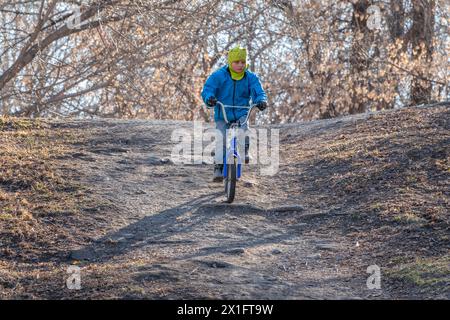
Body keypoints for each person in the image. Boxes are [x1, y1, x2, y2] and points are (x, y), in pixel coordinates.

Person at [201, 46, 268, 182]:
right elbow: (208, 89)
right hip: (223, 113)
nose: (240, 65)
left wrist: (261, 101)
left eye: (242, 62)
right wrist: (210, 98)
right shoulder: (219, 75)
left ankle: (244, 150)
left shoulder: (250, 77)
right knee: (221, 139)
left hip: (241, 112)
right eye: (236, 62)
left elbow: (258, 92)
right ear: (230, 61)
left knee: (244, 130)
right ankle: (219, 167)